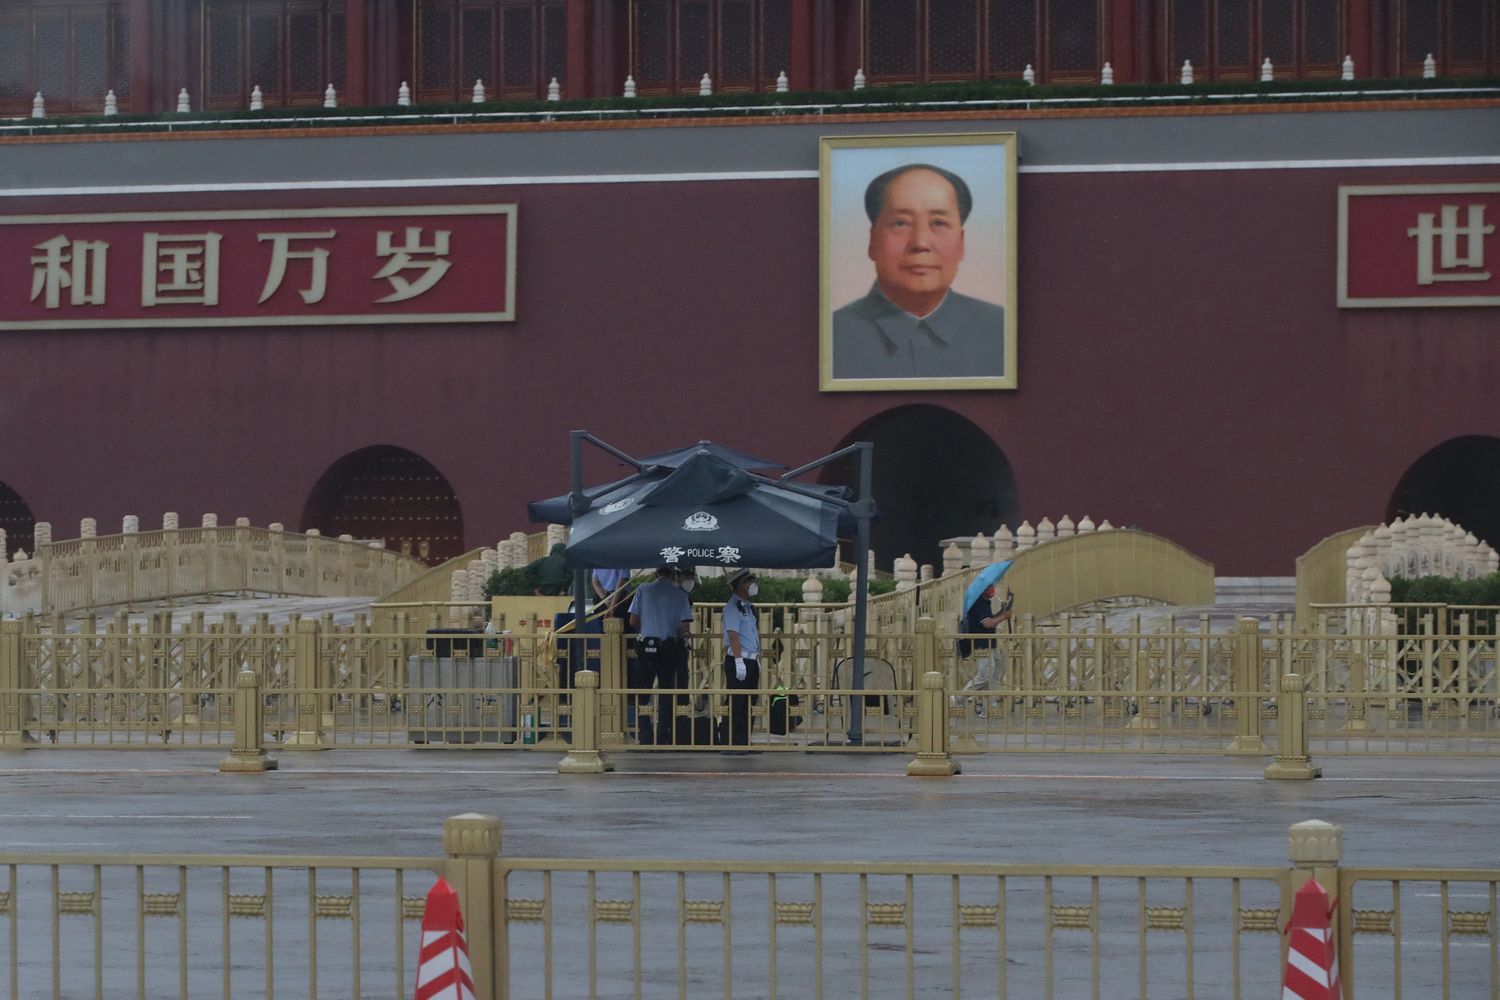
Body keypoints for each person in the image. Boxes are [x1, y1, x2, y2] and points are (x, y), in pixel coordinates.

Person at [831, 163, 1006, 381]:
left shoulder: (1003, 330)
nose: (920, 242)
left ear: (961, 243)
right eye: (901, 223)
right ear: (873, 241)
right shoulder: (829, 336)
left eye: (939, 222)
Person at [627, 564, 693, 745]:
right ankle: (664, 736)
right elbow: (684, 627)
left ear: (656, 573)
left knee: (642, 695)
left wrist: (648, 626)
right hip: (668, 650)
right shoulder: (681, 594)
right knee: (666, 694)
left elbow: (633, 619)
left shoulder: (643, 589)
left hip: (647, 648)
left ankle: (645, 736)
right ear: (673, 575)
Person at [720, 568, 761, 751]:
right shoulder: (732, 607)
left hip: (751, 660)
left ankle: (745, 741)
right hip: (739, 660)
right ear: (742, 585)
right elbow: (733, 635)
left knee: (749, 704)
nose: (753, 585)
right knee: (737, 704)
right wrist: (738, 662)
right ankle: (733, 742)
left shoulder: (747, 606)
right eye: (751, 581)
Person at [959, 583, 1013, 716]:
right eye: (988, 587)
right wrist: (1003, 617)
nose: (991, 589)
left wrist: (1002, 611)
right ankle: (960, 697)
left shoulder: (985, 603)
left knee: (997, 670)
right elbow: (987, 623)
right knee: (985, 674)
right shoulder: (978, 604)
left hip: (990, 643)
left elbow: (991, 618)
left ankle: (991, 705)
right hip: (982, 644)